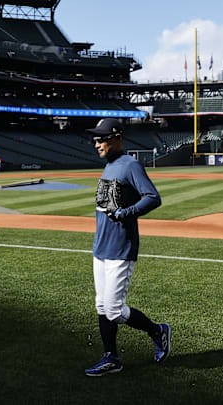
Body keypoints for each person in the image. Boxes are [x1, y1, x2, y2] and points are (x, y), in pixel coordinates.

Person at [84, 118, 170, 377]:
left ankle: (158, 331)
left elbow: (153, 197)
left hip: (121, 248)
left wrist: (127, 212)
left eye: (101, 138)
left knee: (113, 308)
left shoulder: (130, 165)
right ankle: (111, 357)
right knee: (102, 306)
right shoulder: (109, 166)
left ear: (117, 137)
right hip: (101, 248)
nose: (96, 143)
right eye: (95, 139)